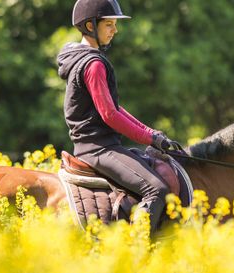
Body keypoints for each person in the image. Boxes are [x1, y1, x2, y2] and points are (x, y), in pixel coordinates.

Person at [57, 0, 181, 234]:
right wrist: (149, 139)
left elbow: (115, 108)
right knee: (157, 190)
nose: (115, 30)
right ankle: (136, 250)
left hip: (97, 146)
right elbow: (110, 115)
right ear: (90, 26)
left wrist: (152, 135)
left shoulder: (84, 60)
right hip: (98, 149)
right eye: (109, 24)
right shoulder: (93, 64)